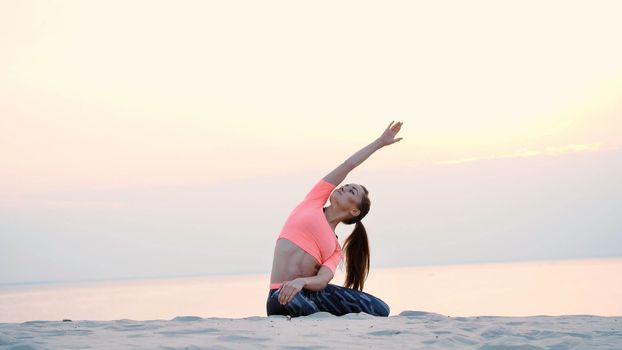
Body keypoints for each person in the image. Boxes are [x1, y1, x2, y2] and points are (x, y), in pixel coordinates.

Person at [266, 121, 404, 317]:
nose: (344, 187)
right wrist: (380, 142)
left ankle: (317, 315)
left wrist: (302, 281)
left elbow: (322, 280)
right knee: (296, 303)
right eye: (346, 185)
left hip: (307, 293)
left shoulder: (335, 249)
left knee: (381, 309)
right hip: (280, 296)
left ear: (355, 211)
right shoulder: (312, 202)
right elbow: (348, 165)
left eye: (352, 191)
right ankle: (316, 315)